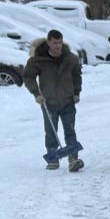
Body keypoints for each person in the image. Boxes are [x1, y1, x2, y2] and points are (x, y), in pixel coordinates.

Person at [23, 29, 84, 171]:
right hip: (48, 102)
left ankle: (73, 159)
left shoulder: (71, 58)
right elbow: (28, 77)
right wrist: (36, 94)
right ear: (49, 42)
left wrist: (77, 92)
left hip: (68, 100)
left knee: (70, 130)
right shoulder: (38, 60)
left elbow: (77, 76)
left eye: (60, 42)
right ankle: (53, 158)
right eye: (55, 43)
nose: (58, 46)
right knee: (51, 131)